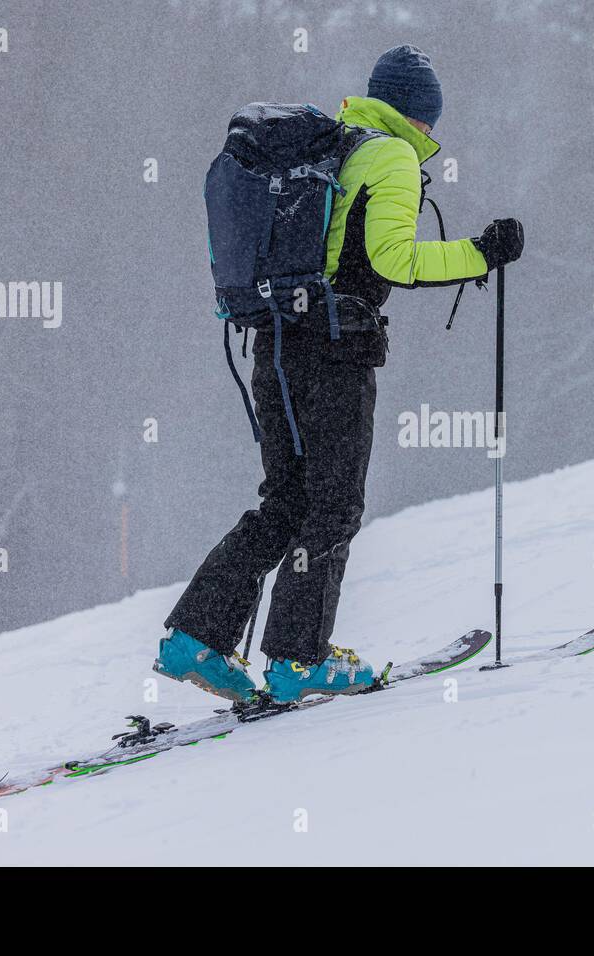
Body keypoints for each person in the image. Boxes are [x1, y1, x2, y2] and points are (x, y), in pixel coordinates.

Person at [156, 44, 524, 704]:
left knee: (286, 502)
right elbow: (390, 261)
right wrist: (479, 254)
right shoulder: (393, 156)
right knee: (332, 504)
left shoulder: (339, 146)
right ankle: (299, 659)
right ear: (420, 116)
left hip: (271, 341)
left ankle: (196, 638)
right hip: (332, 350)